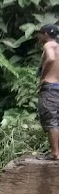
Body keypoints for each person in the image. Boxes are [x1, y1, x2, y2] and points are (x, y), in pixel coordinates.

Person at [38, 23, 59, 160]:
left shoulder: (49, 45)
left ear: (45, 34)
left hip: (50, 88)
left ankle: (55, 153)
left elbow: (51, 58)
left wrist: (43, 75)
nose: (38, 36)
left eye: (40, 33)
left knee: (51, 120)